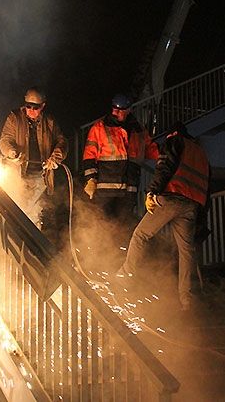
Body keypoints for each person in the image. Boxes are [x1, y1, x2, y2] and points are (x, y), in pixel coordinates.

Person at [117, 121, 210, 311]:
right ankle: (187, 300)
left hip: (171, 197)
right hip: (192, 206)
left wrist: (152, 192)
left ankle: (124, 276)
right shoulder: (201, 153)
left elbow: (164, 167)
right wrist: (201, 217)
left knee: (141, 235)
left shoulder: (174, 141)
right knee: (186, 252)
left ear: (172, 133)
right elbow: (208, 188)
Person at [0, 87, 68, 231]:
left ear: (42, 106)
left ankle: (33, 246)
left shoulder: (49, 122)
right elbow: (5, 140)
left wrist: (55, 158)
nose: (31, 110)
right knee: (17, 212)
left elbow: (62, 142)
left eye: (35, 107)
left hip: (41, 177)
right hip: (19, 175)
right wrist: (12, 152)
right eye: (28, 106)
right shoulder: (15, 118)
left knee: (36, 214)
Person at [82, 94, 158, 222]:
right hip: (105, 190)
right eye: (114, 109)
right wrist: (90, 179)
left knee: (123, 226)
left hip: (129, 189)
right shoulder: (100, 127)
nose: (115, 112)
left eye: (119, 110)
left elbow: (152, 150)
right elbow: (89, 155)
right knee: (102, 225)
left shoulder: (138, 130)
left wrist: (170, 152)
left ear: (128, 110)